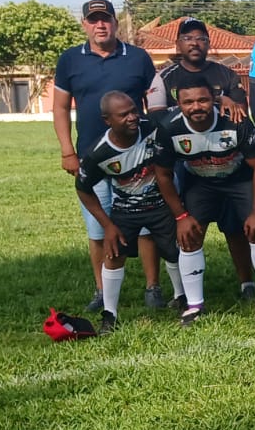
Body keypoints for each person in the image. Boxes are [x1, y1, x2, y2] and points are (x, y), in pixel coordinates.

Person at [52, 0, 163, 312]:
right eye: (94, 20)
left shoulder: (138, 57)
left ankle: (153, 287)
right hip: (93, 158)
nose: (100, 25)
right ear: (85, 25)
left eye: (106, 19)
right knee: (98, 229)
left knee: (146, 224)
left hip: (138, 158)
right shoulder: (70, 60)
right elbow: (60, 107)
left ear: (115, 23)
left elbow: (155, 104)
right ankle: (102, 291)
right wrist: (67, 150)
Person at [156, 79, 255, 318]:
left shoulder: (235, 121)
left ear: (213, 99)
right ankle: (194, 306)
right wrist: (181, 216)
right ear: (179, 104)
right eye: (188, 102)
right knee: (189, 235)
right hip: (200, 182)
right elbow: (162, 175)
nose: (196, 107)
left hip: (239, 179)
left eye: (202, 100)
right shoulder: (168, 128)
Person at [74, 91, 185, 333]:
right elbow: (82, 189)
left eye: (134, 110)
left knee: (174, 251)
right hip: (125, 210)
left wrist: (224, 100)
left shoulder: (152, 127)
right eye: (123, 115)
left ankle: (181, 298)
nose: (133, 117)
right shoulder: (98, 153)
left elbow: (181, 112)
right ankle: (109, 315)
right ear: (107, 120)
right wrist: (108, 226)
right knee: (114, 255)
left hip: (160, 205)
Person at [145, 18, 247, 118]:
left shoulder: (228, 75)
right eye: (187, 38)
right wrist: (217, 100)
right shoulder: (162, 78)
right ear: (178, 45)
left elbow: (241, 113)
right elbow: (156, 118)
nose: (194, 43)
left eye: (201, 39)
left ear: (208, 44)